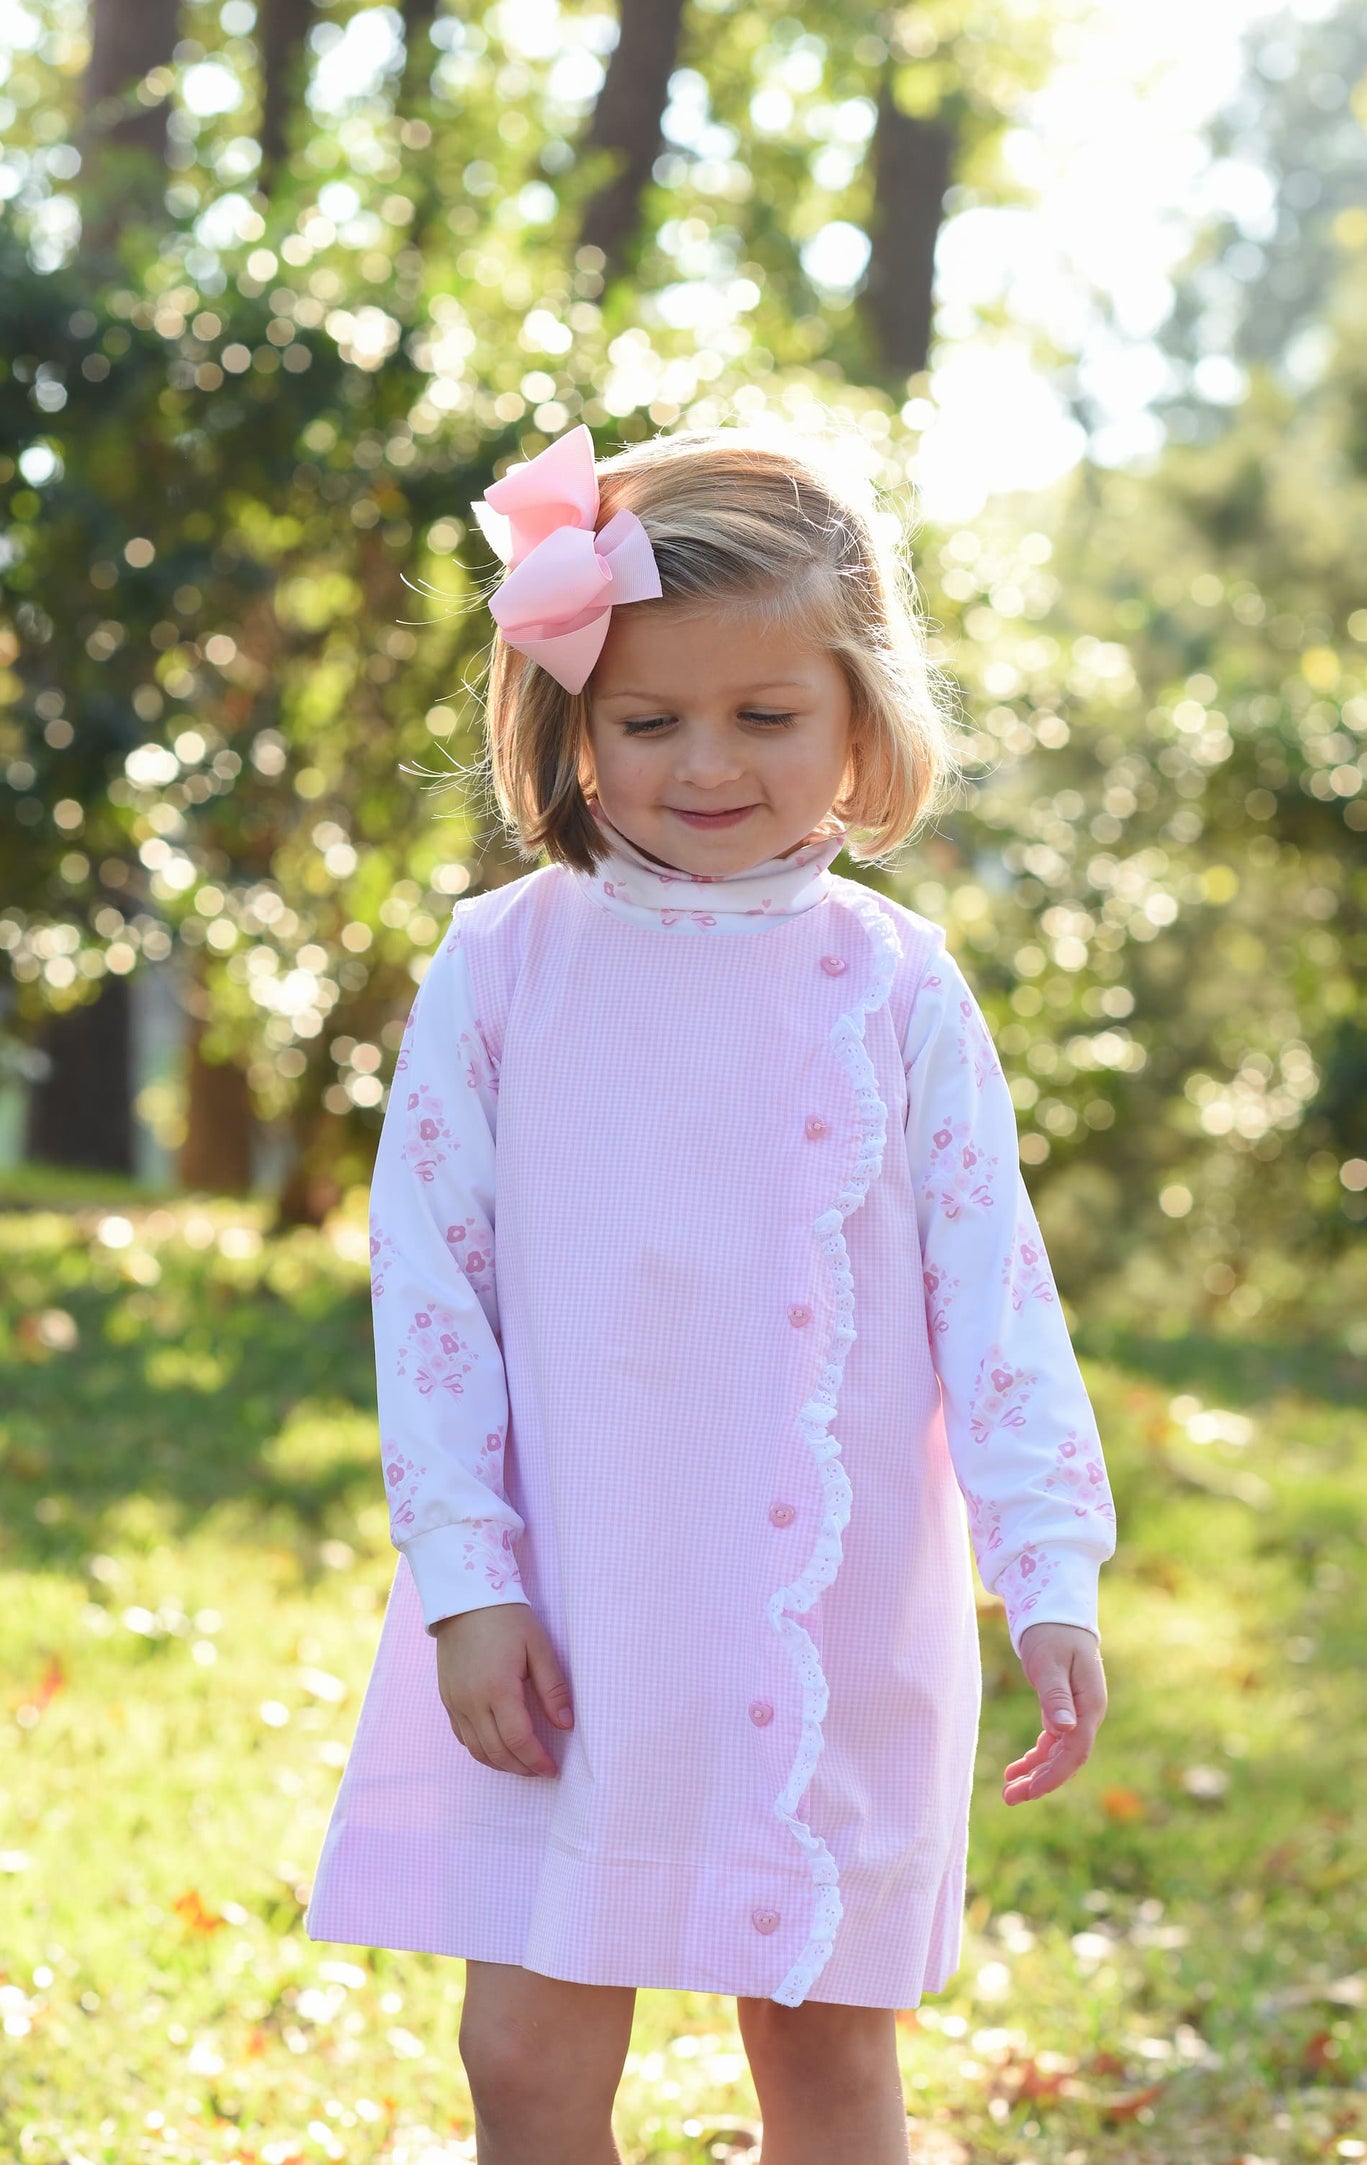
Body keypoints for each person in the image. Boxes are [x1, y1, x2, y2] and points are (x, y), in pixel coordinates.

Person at [305, 419, 1117, 2165]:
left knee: (825, 2070)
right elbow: (429, 1296)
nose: (703, 765)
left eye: (765, 718)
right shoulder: (502, 967)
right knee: (523, 2057)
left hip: (816, 1621)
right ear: (572, 714)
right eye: (645, 719)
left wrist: (1047, 1569)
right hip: (562, 1607)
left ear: (858, 722)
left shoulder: (893, 986)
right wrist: (465, 1579)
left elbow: (997, 1300)